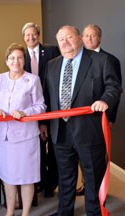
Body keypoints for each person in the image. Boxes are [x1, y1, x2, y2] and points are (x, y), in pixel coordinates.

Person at [42, 25, 121, 216]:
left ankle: (94, 212)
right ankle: (64, 212)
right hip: (60, 132)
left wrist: (105, 100)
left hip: (89, 130)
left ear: (79, 38)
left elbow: (113, 87)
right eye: (61, 39)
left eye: (69, 37)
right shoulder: (52, 65)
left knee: (93, 178)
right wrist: (43, 123)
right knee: (65, 178)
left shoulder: (101, 60)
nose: (65, 42)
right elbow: (46, 96)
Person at [0, 43, 46, 216]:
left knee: (27, 177)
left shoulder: (33, 80)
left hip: (26, 137)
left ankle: (25, 213)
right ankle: (10, 212)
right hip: (3, 137)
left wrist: (24, 112)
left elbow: (40, 106)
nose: (16, 61)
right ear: (6, 61)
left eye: (20, 57)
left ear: (24, 60)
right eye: (12, 58)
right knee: (8, 176)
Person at [22, 22, 60, 198]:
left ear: (39, 34)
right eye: (27, 35)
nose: (31, 37)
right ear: (23, 38)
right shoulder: (20, 55)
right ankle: (39, 181)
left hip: (52, 106)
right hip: (30, 110)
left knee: (52, 148)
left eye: (34, 34)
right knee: (34, 148)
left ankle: (51, 184)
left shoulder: (52, 51)